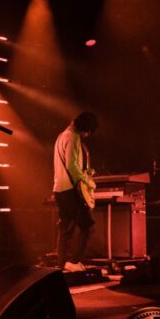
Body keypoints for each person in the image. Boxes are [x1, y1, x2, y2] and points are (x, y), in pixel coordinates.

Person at [52, 111, 97, 272]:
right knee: (87, 225)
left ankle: (63, 264)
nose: (87, 135)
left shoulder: (60, 137)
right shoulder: (73, 137)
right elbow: (72, 166)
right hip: (70, 189)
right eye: (88, 131)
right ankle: (74, 261)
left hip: (58, 188)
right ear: (85, 128)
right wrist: (88, 181)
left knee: (66, 228)